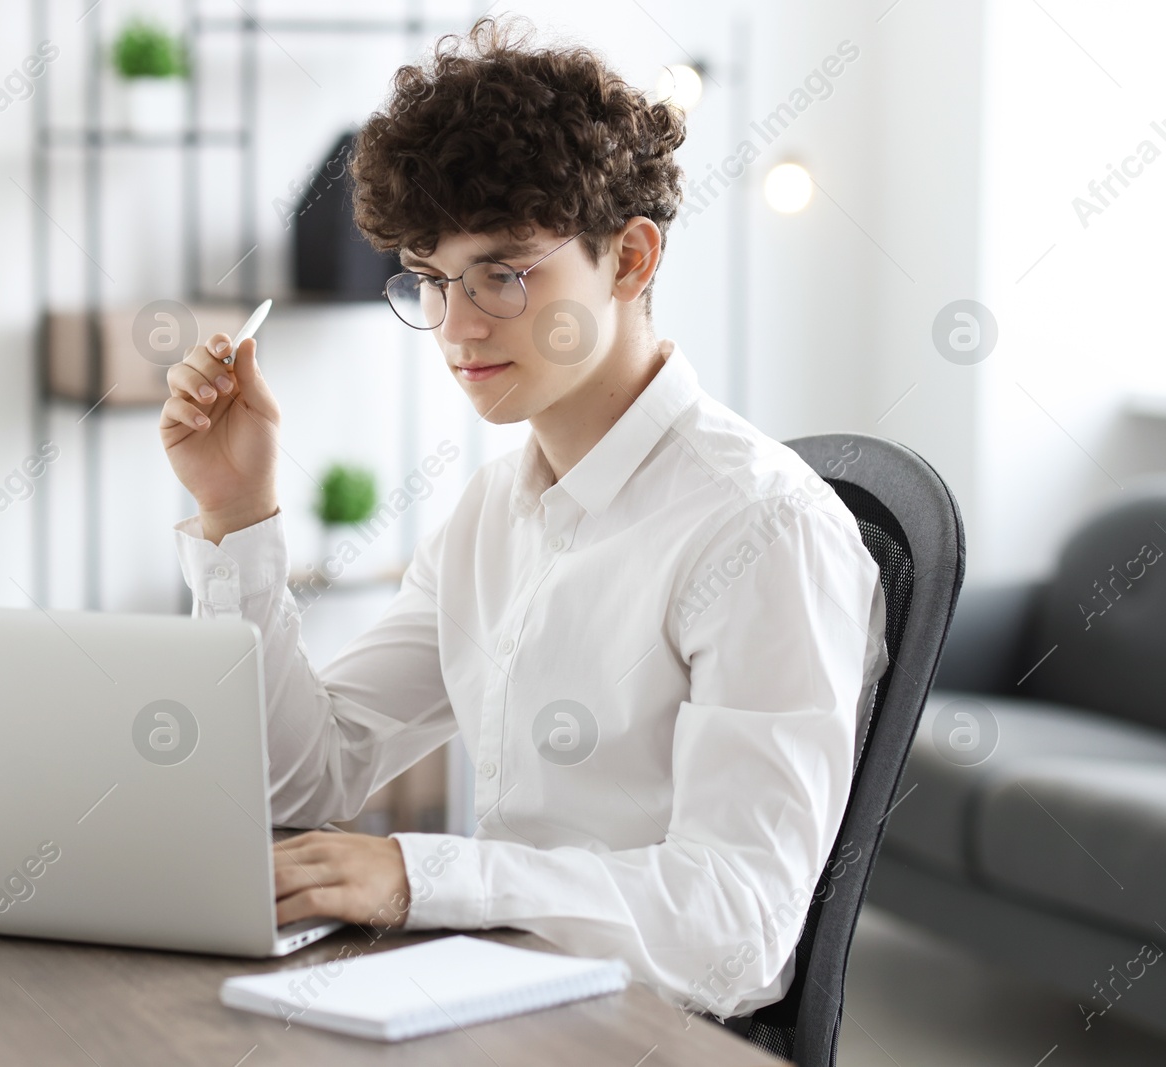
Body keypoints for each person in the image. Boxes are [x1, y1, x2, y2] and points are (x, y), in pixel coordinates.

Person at [156, 15, 888, 1022]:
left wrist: (424, 877)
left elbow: (738, 926)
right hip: (495, 1002)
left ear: (629, 259)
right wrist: (237, 513)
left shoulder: (762, 528)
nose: (456, 327)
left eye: (504, 272)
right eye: (431, 279)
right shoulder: (491, 513)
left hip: (643, 1032)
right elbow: (302, 780)